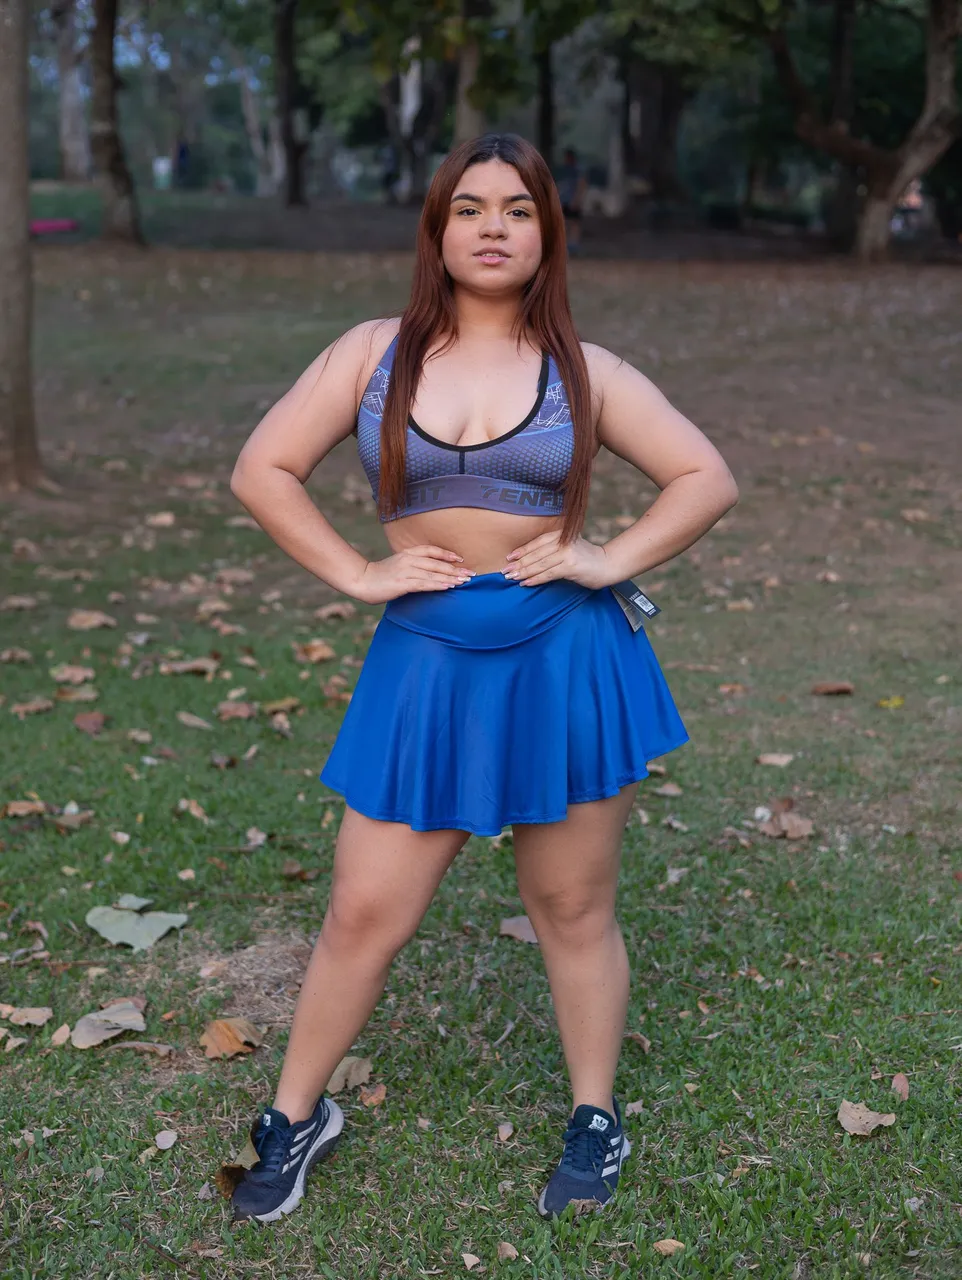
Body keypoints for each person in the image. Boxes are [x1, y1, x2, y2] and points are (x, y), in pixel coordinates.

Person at [228, 131, 738, 1225]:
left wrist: (607, 557)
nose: (493, 227)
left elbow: (704, 475)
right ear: (437, 228)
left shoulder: (586, 369)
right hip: (426, 663)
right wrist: (357, 571)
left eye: (517, 208)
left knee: (571, 904)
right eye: (469, 208)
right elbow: (262, 467)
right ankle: (295, 1114)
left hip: (567, 657)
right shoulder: (371, 354)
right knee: (363, 909)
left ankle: (594, 1115)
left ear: (547, 231)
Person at [555, 146, 587, 254]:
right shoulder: (563, 170)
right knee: (564, 222)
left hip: (573, 200)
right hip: (563, 200)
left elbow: (581, 184)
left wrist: (577, 199)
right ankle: (565, 245)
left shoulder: (578, 170)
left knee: (574, 223)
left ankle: (574, 245)